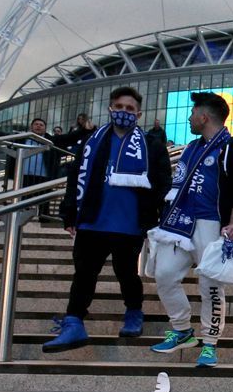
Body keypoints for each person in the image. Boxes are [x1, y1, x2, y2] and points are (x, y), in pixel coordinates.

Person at [43, 87, 171, 353]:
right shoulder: (93, 141)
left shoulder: (151, 145)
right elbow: (74, 177)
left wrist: (152, 215)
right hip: (92, 220)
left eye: (129, 109)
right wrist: (69, 212)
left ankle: (134, 311)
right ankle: (74, 322)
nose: (124, 112)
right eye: (119, 107)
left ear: (139, 113)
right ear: (110, 109)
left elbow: (163, 183)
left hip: (129, 224)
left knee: (126, 273)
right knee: (84, 275)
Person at [148, 92, 233, 368]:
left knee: (211, 286)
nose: (190, 118)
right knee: (164, 273)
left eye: (193, 113)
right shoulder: (191, 148)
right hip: (180, 222)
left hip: (211, 224)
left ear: (204, 117)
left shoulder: (232, 149)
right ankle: (182, 330)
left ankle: (210, 343)